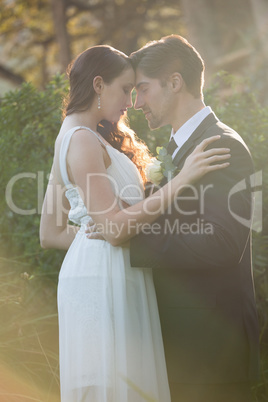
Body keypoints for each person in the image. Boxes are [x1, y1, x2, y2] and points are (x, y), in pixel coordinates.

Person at [39, 44, 230, 402]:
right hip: (105, 277)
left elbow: (50, 233)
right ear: (98, 85)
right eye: (125, 89)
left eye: (136, 90)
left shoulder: (73, 135)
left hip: (108, 265)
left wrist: (96, 235)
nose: (131, 101)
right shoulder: (81, 140)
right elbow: (111, 229)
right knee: (120, 384)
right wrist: (181, 180)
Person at [129, 35, 260, 402]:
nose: (136, 103)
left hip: (211, 348)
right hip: (177, 344)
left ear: (174, 82)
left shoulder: (222, 145)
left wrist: (131, 242)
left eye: (142, 89)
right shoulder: (173, 149)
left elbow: (222, 242)